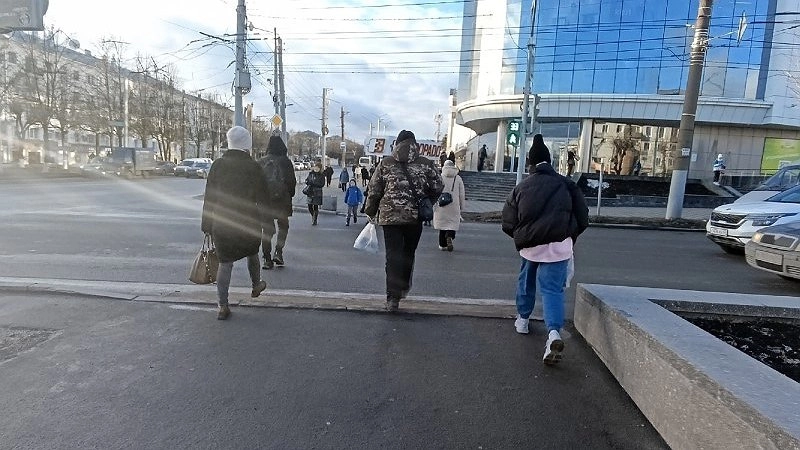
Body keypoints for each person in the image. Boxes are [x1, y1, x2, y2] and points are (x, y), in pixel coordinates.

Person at [501, 134, 589, 365]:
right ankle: (553, 334)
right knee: (552, 290)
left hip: (530, 246)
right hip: (559, 246)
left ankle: (523, 320)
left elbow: (508, 222)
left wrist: (522, 236)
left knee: (526, 281)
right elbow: (583, 217)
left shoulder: (521, 188)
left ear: (530, 163)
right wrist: (568, 235)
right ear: (549, 161)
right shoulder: (567, 185)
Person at [364, 129, 444, 312]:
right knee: (408, 253)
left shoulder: (385, 163)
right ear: (415, 144)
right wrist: (427, 201)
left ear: (397, 144)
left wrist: (370, 211)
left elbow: (374, 190)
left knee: (393, 256)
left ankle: (392, 298)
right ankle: (403, 288)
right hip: (414, 218)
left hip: (389, 217)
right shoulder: (426, 164)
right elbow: (438, 186)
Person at [201, 126, 269, 320]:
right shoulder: (254, 167)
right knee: (252, 253)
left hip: (222, 222)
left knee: (225, 263)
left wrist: (207, 225)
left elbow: (209, 197)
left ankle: (222, 306)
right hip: (248, 221)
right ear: (247, 143)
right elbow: (263, 198)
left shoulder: (218, 165)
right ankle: (256, 285)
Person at [258, 135, 296, 270]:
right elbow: (292, 182)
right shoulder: (286, 162)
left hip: (265, 201)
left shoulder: (261, 161)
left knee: (267, 230)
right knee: (283, 226)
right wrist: (289, 195)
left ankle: (267, 259)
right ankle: (278, 252)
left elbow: (256, 183)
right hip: (282, 200)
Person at [433, 160, 466, 251]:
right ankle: (449, 236)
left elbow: (435, 191)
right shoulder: (458, 178)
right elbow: (462, 194)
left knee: (442, 225)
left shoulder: (440, 177)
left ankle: (442, 245)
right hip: (454, 205)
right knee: (452, 224)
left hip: (441, 205)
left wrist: (434, 204)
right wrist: (462, 206)